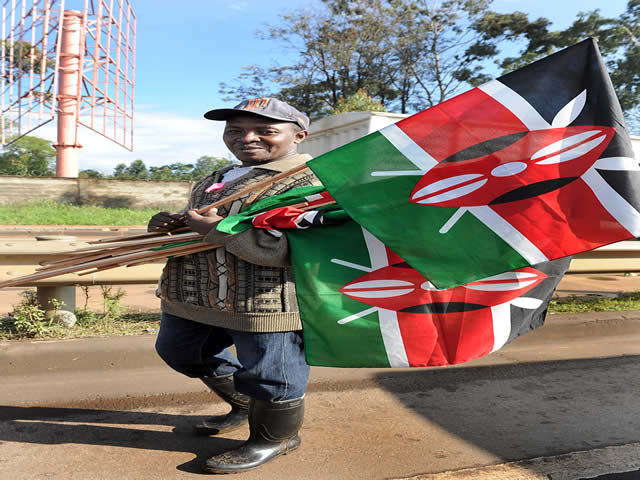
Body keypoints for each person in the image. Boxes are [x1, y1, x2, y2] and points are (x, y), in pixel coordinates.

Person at [148, 98, 319, 474]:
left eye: (266, 131)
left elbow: (295, 247)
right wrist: (167, 224)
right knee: (179, 350)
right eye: (236, 131)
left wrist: (216, 232)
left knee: (270, 375)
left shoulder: (311, 181)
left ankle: (276, 438)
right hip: (194, 295)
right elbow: (197, 225)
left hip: (264, 300)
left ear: (299, 136)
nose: (248, 138)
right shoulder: (216, 177)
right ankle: (244, 404)